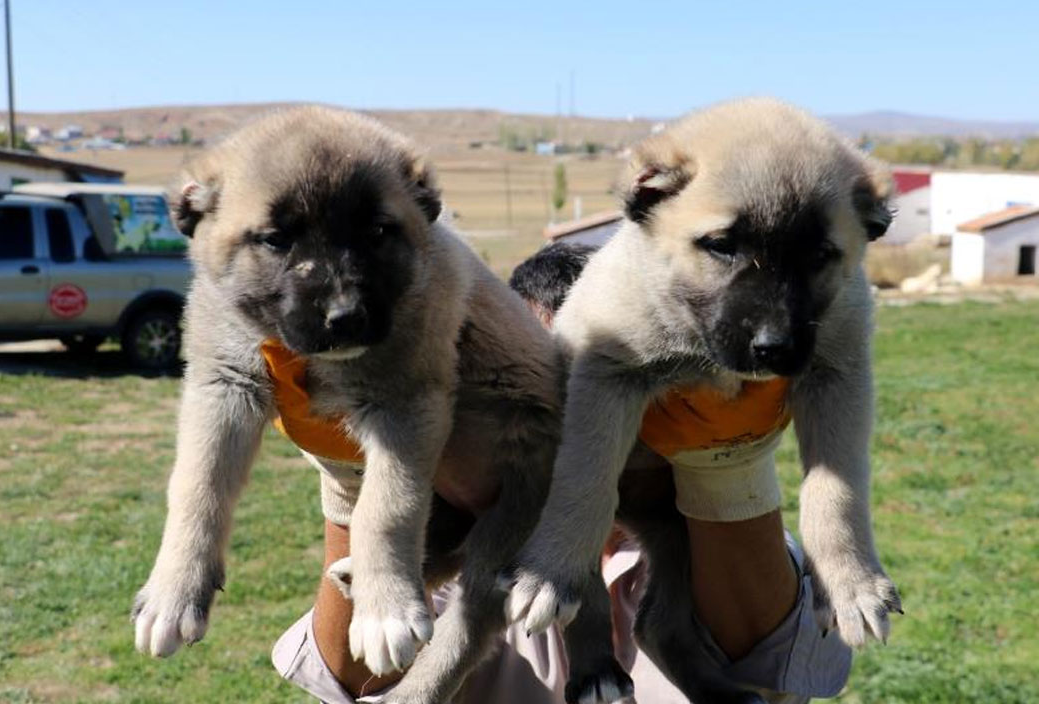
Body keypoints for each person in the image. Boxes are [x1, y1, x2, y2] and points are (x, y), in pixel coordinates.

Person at [272, 241, 851, 703]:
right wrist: (352, 478)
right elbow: (349, 677)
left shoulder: (714, 542)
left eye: (588, 393)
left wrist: (727, 471)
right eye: (523, 394)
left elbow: (773, 666)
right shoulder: (460, 518)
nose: (561, 430)